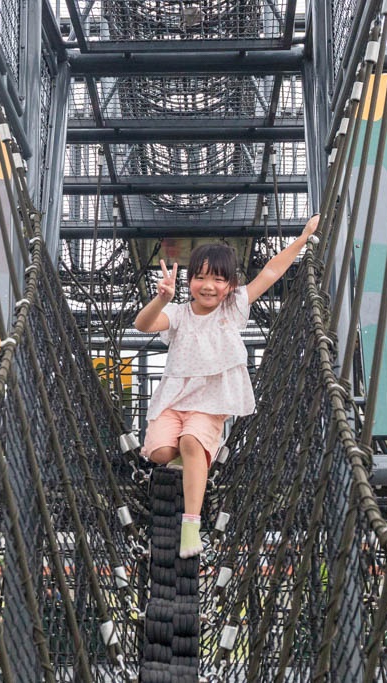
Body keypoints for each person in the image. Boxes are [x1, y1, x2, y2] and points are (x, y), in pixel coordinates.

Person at [133, 214, 321, 558]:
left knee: (190, 441)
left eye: (218, 279)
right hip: (174, 398)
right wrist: (162, 298)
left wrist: (303, 238)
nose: (208, 286)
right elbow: (143, 325)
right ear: (189, 281)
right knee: (160, 453)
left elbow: (270, 272)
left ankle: (192, 525)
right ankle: (198, 461)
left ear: (230, 285)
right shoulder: (178, 313)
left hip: (211, 400)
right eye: (200, 277)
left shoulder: (233, 308)